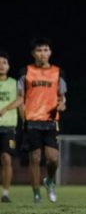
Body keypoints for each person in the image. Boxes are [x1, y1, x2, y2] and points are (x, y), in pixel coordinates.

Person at [18, 38, 67, 203]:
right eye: (39, 50)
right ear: (33, 54)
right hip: (32, 121)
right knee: (36, 158)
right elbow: (20, 98)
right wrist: (23, 119)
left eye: (46, 50)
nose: (43, 53)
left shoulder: (58, 72)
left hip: (51, 121)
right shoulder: (25, 72)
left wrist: (62, 104)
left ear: (50, 52)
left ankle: (50, 181)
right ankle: (36, 193)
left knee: (53, 158)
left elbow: (62, 97)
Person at [0, 51, 20, 203]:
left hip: (8, 128)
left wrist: (6, 108)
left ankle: (5, 193)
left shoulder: (14, 83)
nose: (2, 65)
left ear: (8, 66)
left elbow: (21, 100)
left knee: (7, 159)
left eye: (4, 62)